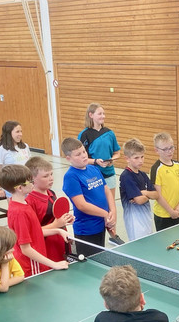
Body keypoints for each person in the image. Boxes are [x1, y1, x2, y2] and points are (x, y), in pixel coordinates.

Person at [0, 164, 69, 276]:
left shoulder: (24, 204)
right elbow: (25, 249)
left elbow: (34, 232)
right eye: (30, 181)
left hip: (37, 262)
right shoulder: (19, 212)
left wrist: (57, 231)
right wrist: (53, 264)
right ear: (20, 188)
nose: (33, 183)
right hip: (32, 266)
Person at [61, 137, 118, 256]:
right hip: (86, 230)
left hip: (101, 225)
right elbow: (82, 205)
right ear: (68, 158)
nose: (83, 155)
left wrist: (112, 212)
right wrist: (105, 214)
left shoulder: (93, 169)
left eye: (84, 151)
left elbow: (106, 191)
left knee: (101, 257)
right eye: (78, 154)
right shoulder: (71, 176)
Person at [78, 103, 124, 245]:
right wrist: (95, 162)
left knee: (111, 205)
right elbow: (81, 158)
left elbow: (117, 153)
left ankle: (113, 234)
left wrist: (111, 160)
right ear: (91, 115)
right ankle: (99, 232)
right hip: (93, 175)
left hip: (109, 173)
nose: (103, 116)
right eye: (100, 113)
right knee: (98, 204)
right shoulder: (84, 135)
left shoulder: (109, 133)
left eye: (104, 113)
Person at [25, 157, 75, 262]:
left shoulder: (51, 193)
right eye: (46, 176)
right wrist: (56, 224)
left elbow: (56, 217)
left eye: (51, 174)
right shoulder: (29, 201)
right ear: (32, 178)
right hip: (45, 250)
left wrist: (66, 219)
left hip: (61, 243)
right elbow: (31, 233)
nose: (51, 178)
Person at [119, 138, 158, 241]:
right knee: (138, 245)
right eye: (136, 158)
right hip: (134, 221)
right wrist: (147, 195)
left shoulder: (143, 174)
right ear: (127, 159)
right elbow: (139, 200)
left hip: (147, 218)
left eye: (142, 157)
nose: (140, 160)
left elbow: (156, 195)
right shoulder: (126, 176)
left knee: (148, 243)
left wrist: (144, 193)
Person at [150, 132, 179, 231]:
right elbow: (158, 195)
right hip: (162, 215)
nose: (169, 151)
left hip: (177, 212)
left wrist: (178, 208)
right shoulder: (156, 169)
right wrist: (170, 211)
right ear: (156, 150)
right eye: (165, 149)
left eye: (171, 147)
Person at [0, 121, 31, 199]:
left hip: (26, 184)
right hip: (12, 186)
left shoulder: (25, 146)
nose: (20, 134)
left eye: (21, 131)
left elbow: (29, 166)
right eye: (17, 132)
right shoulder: (1, 150)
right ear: (9, 133)